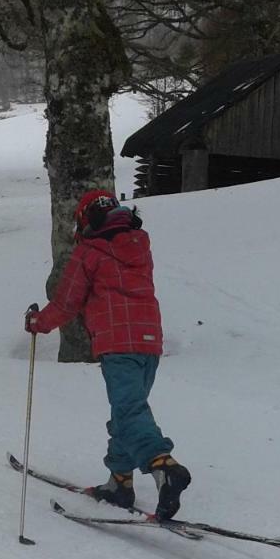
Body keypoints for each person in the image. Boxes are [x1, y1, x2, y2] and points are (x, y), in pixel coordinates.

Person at [24, 189, 191, 519]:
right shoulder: (139, 246)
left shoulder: (89, 253)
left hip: (117, 343)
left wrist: (37, 323)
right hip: (149, 342)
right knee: (126, 412)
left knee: (129, 412)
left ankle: (163, 465)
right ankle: (119, 482)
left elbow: (67, 303)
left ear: (86, 220)